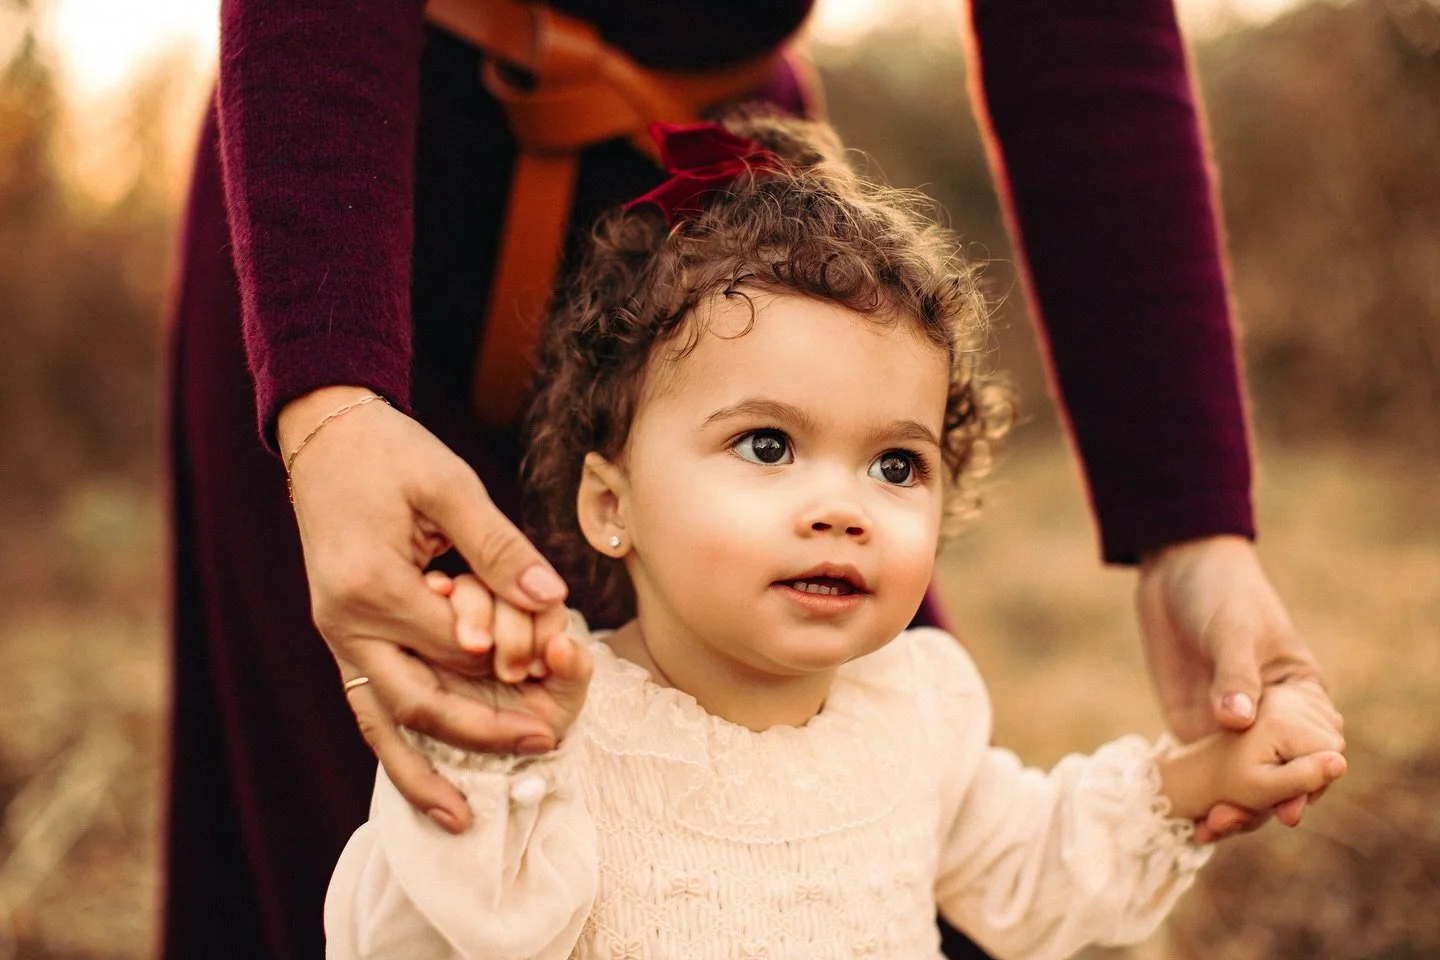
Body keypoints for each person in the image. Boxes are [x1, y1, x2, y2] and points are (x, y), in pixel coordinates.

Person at [164, 1, 1337, 958]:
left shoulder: (912, 715)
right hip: (356, 180)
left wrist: (1197, 552)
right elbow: (408, 926)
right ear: (605, 500)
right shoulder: (556, 751)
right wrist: (332, 400)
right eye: (771, 449)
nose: (841, 503)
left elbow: (1022, 862)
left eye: (895, 463)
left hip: (750, 211)